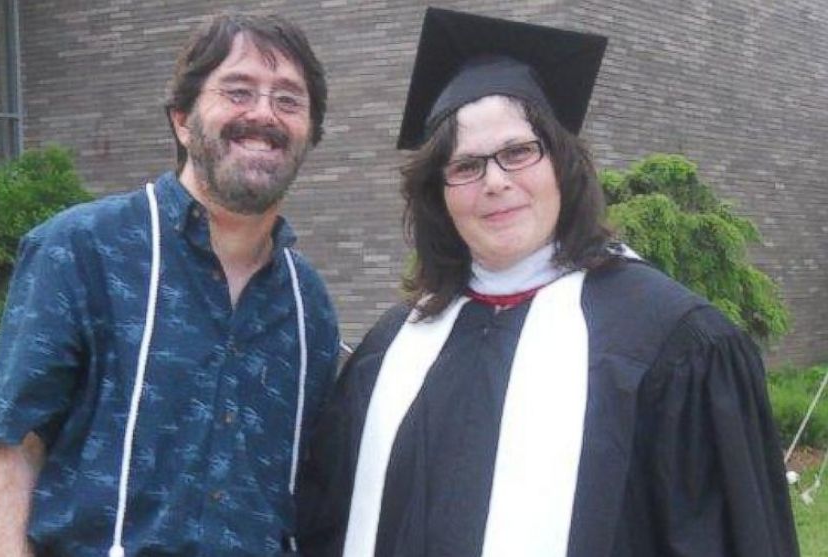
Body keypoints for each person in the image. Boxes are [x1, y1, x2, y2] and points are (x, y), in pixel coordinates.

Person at [296, 7, 798, 557]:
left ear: (562, 164)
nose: (495, 182)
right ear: (439, 195)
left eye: (518, 152)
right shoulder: (391, 350)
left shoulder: (672, 343)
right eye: (465, 166)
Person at [0, 13, 340, 557]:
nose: (263, 114)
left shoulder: (308, 304)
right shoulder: (81, 250)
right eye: (238, 91)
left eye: (289, 100)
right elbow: (13, 453)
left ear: (309, 134)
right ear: (182, 121)